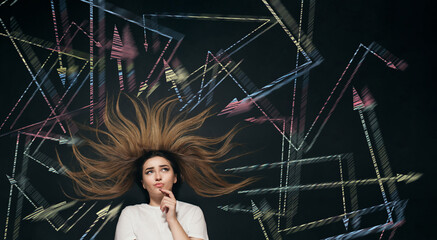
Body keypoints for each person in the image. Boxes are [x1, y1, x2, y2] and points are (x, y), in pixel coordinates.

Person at [60, 94, 255, 240]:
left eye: (164, 169)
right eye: (149, 171)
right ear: (143, 183)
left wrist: (172, 219)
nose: (158, 177)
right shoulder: (131, 214)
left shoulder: (193, 212)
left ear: (176, 177)